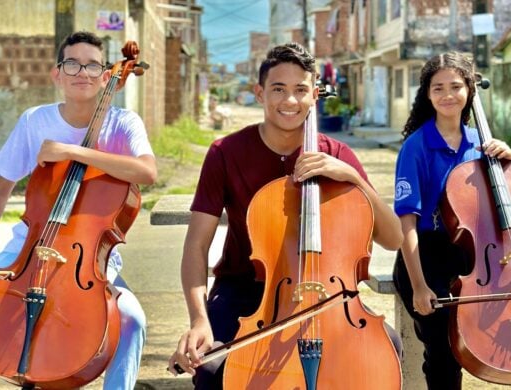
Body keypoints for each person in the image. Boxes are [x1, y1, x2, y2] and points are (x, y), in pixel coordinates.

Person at [168, 42, 404, 388]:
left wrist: (352, 177)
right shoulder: (225, 152)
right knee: (211, 368)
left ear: (314, 96)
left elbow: (393, 236)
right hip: (244, 290)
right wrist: (198, 320)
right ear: (259, 92)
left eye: (300, 90)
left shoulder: (336, 154)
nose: (290, 101)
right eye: (278, 89)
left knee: (385, 346)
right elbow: (196, 246)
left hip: (327, 295)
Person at [0, 31, 156, 389]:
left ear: (106, 76)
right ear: (57, 74)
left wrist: (74, 153)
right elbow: (2, 183)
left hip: (89, 260)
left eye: (92, 65)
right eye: (72, 63)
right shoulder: (34, 120)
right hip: (29, 246)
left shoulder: (123, 123)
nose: (82, 72)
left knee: (132, 320)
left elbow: (147, 172)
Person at [391, 51, 511, 390]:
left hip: (474, 255)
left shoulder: (482, 142)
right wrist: (419, 285)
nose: (448, 95)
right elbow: (407, 222)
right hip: (426, 256)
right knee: (443, 351)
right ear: (427, 94)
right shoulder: (416, 147)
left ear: (469, 91)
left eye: (456, 86)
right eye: (438, 88)